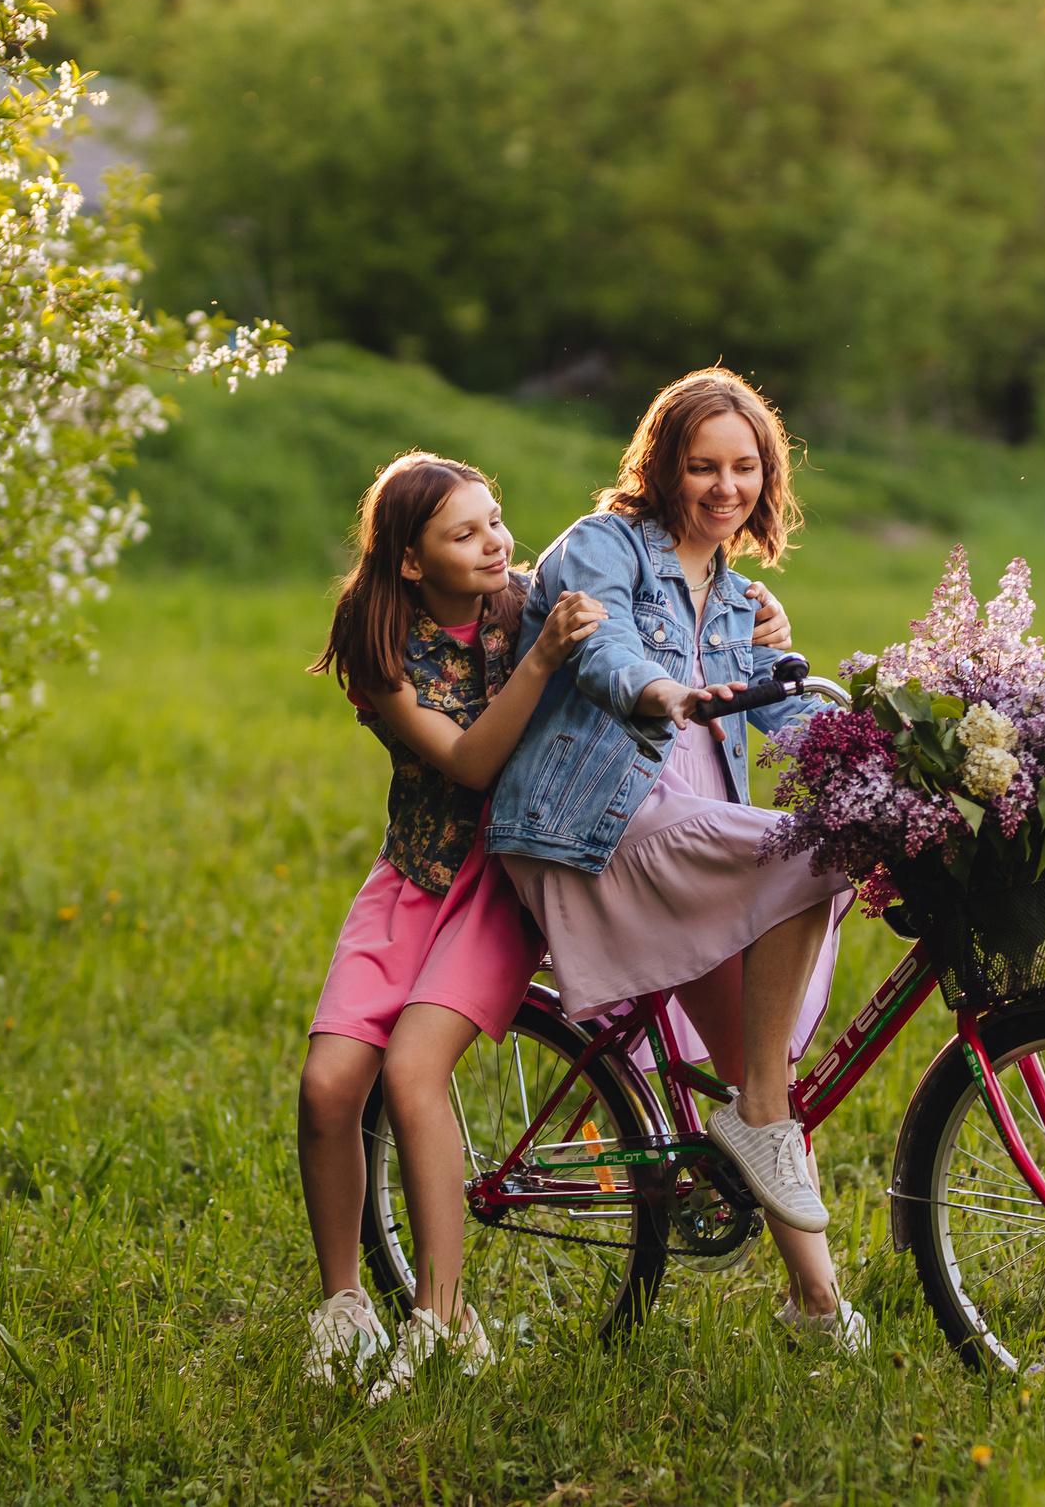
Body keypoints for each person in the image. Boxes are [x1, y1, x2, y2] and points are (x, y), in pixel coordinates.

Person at [296, 450, 796, 1396]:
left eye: (495, 519)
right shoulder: (380, 646)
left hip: (505, 876)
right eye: (465, 533)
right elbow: (469, 763)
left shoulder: (532, 599)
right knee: (327, 1086)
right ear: (411, 560)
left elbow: (658, 609)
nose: (495, 542)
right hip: (415, 877)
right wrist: (542, 659)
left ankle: (442, 1319)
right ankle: (344, 1305)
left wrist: (752, 615)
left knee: (411, 1071)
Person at [487, 368, 866, 1349]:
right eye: (702, 466)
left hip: (687, 838)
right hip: (598, 831)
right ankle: (761, 1117)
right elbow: (604, 650)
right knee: (810, 856)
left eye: (744, 468)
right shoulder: (600, 546)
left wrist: (891, 754)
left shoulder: (737, 598)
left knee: (753, 1067)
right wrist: (664, 692)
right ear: (662, 466)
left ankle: (817, 1308)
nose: (725, 487)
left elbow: (786, 713)